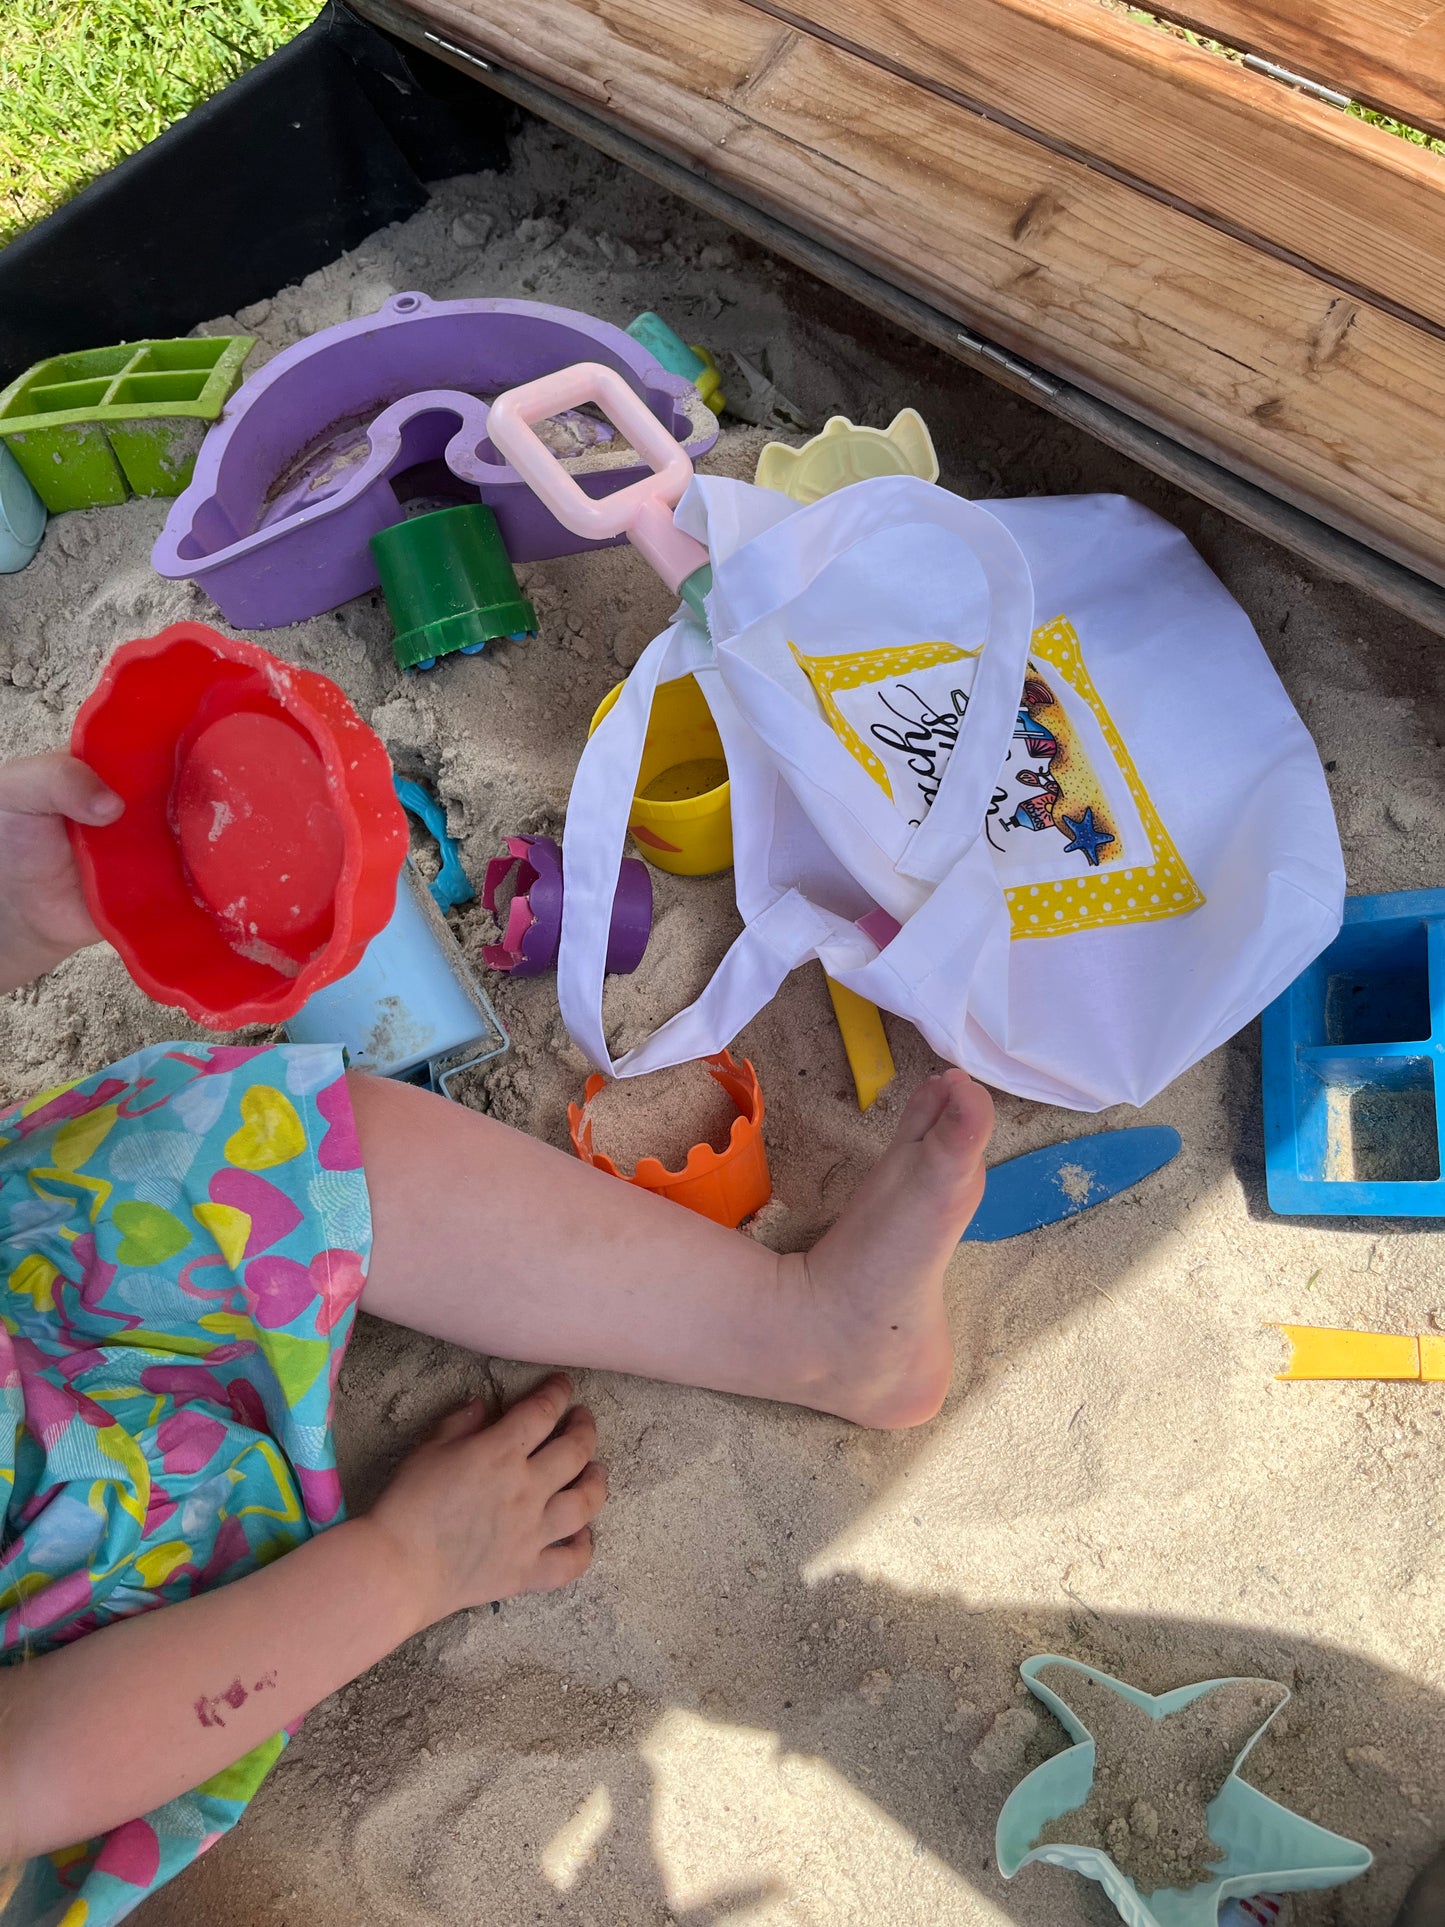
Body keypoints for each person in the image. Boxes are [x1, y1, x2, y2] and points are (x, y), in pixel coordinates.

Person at [0, 750, 994, 1925]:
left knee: (265, 1137)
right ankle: (806, 1337)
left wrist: (14, 922)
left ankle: (815, 1329)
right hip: (85, 1633)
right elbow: (36, 1764)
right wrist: (413, 1562)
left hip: (37, 1300)